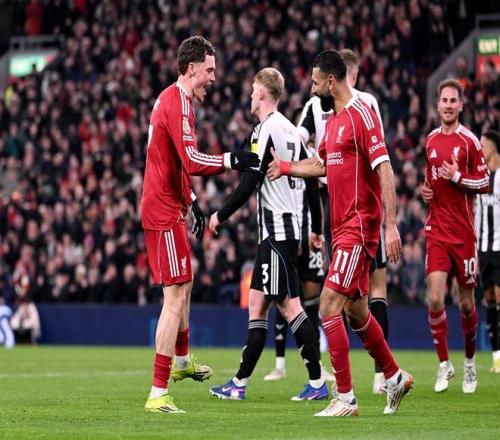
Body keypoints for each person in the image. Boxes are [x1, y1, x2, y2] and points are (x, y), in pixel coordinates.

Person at [268, 49, 413, 417]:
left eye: (315, 82)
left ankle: (345, 398)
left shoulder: (362, 114)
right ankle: (395, 377)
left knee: (329, 304)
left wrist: (391, 225)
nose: (312, 88)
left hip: (360, 227)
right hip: (340, 228)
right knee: (356, 311)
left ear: (331, 82)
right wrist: (285, 167)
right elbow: (321, 165)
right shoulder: (332, 123)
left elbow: (385, 169)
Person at [141, 36, 259, 414]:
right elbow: (191, 159)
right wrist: (232, 160)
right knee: (174, 295)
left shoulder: (180, 101)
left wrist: (191, 201)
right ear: (191, 68)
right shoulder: (177, 102)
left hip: (170, 206)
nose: (213, 77)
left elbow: (176, 163)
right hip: (161, 210)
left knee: (184, 284)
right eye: (209, 70)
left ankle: (181, 360)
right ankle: (158, 393)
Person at [208, 67, 328, 402]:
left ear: (262, 93)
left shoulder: (267, 129)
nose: (250, 95)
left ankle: (317, 383)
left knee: (290, 307)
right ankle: (239, 382)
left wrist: (219, 215)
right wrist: (316, 229)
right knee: (257, 305)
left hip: (276, 232)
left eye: (252, 90)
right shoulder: (290, 130)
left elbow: (250, 181)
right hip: (283, 232)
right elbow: (311, 182)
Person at [420, 79, 489, 394]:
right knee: (435, 298)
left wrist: (458, 177)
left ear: (461, 105)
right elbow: (430, 178)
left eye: (453, 101)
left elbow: (484, 182)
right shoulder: (431, 140)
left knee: (465, 303)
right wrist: (426, 191)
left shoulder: (470, 141)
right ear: (437, 105)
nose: (448, 105)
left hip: (464, 234)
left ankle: (470, 364)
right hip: (437, 230)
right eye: (443, 100)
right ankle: (444, 363)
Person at [264, 109, 333, 384]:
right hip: (291, 232)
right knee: (284, 297)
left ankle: (318, 365)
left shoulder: (314, 157)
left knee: (311, 301)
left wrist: (317, 232)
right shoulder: (285, 154)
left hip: (309, 235)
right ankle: (280, 364)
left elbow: (319, 195)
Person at [340, 48, 390, 395]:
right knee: (362, 297)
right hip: (353, 215)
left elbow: (380, 159)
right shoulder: (351, 107)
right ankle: (385, 374)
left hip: (357, 216)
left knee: (337, 300)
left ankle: (345, 389)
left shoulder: (360, 106)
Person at [475, 130, 500, 373]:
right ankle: (496, 355)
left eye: (483, 144)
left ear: (493, 147)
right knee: (490, 299)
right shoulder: (481, 176)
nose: (480, 148)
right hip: (483, 249)